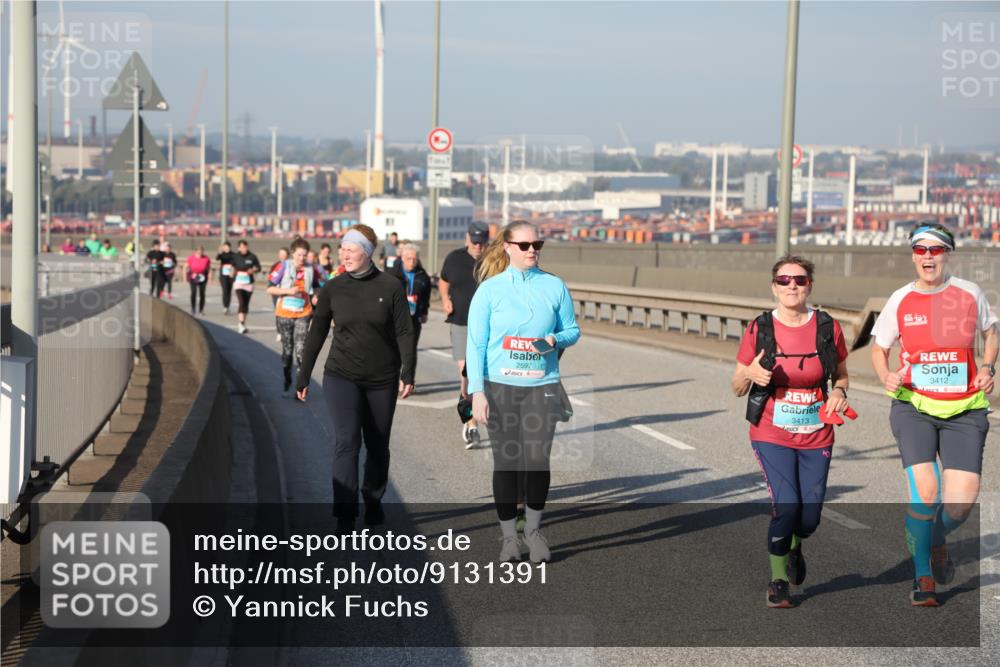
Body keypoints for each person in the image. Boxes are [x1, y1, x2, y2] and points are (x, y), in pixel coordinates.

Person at [870, 223, 997, 607]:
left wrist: (988, 367)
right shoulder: (901, 299)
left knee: (960, 504)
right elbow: (879, 347)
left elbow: (991, 332)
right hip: (914, 406)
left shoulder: (970, 294)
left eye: (936, 250)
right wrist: (886, 375)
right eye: (921, 249)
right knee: (926, 491)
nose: (928, 256)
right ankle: (922, 575)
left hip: (964, 408)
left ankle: (936, 537)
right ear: (913, 255)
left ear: (948, 254)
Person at [731, 255, 851, 609]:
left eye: (798, 279)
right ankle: (778, 579)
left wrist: (840, 392)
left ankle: (796, 545)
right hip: (771, 430)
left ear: (809, 285)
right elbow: (737, 386)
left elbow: (841, 374)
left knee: (809, 516)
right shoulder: (760, 328)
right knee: (787, 506)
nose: (791, 286)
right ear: (774, 287)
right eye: (783, 280)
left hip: (817, 432)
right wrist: (750, 374)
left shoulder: (828, 327)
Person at [467, 220, 580, 564]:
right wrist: (477, 392)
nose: (533, 250)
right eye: (525, 245)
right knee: (507, 462)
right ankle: (508, 539)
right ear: (507, 247)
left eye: (538, 244)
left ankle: (532, 531)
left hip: (541, 386)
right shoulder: (490, 290)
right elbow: (476, 344)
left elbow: (572, 330)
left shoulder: (554, 286)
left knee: (536, 461)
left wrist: (555, 340)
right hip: (499, 386)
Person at [296, 224, 415, 535]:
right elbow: (317, 332)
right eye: (342, 250)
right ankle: (345, 515)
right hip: (341, 375)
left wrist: (408, 371)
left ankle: (373, 500)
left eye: (350, 250)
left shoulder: (391, 287)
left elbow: (404, 331)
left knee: (377, 446)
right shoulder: (333, 288)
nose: (344, 255)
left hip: (382, 378)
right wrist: (303, 374)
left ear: (367, 253)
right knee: (347, 443)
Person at [440, 222, 489, 447]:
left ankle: (483, 415)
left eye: (483, 241)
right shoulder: (454, 258)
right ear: (468, 238)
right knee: (466, 373)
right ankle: (470, 424)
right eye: (475, 241)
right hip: (461, 322)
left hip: (488, 326)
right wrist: (445, 299)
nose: (479, 246)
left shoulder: (493, 260)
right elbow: (443, 281)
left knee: (486, 376)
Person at [268, 238, 322, 396]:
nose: (302, 258)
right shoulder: (283, 266)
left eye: (305, 255)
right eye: (299, 255)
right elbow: (270, 288)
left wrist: (316, 296)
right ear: (293, 254)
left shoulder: (311, 269)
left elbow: (317, 285)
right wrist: (287, 291)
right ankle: (287, 380)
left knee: (301, 350)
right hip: (284, 314)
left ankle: (301, 385)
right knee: (287, 350)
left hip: (303, 313)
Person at [387, 243, 431, 380]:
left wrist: (424, 312)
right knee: (394, 349)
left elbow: (426, 296)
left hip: (414, 318)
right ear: (402, 258)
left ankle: (407, 380)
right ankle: (392, 378)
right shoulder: (391, 275)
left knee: (410, 350)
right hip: (394, 318)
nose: (412, 262)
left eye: (414, 259)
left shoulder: (423, 276)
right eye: (408, 258)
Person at [232, 240, 262, 334]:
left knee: (245, 304)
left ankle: (243, 323)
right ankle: (241, 324)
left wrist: (253, 270)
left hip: (249, 283)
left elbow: (258, 267)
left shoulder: (252, 256)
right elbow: (232, 267)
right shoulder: (235, 256)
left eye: (245, 247)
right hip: (238, 282)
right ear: (239, 248)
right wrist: (232, 273)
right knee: (241, 302)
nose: (244, 249)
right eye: (242, 247)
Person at [270, 247, 291, 342]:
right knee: (279, 312)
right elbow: (270, 280)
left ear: (288, 255)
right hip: (277, 292)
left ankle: (288, 331)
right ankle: (280, 331)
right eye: (280, 254)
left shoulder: (291, 266)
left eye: (284, 254)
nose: (282, 256)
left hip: (288, 292)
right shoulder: (275, 265)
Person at [186, 245, 212, 316]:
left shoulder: (206, 258)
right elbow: (186, 267)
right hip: (193, 277)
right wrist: (184, 277)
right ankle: (193, 308)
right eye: (199, 250)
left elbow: (209, 269)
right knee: (193, 292)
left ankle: (201, 310)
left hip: (203, 277)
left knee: (202, 293)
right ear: (196, 251)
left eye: (202, 251)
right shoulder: (191, 258)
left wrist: (209, 278)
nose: (200, 252)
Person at [216, 242, 236, 315]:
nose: (226, 248)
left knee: (229, 291)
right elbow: (217, 258)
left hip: (230, 273)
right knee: (225, 290)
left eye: (227, 247)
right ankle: (225, 306)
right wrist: (219, 252)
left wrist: (233, 269)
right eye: (225, 247)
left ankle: (227, 306)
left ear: (230, 247)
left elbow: (236, 262)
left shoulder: (233, 254)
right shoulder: (222, 254)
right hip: (223, 274)